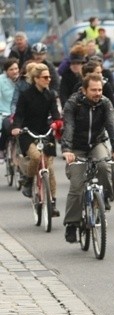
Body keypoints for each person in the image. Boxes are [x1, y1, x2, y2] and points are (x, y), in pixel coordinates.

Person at [60, 73, 114, 243]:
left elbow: (112, 126)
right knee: (76, 186)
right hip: (76, 147)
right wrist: (67, 149)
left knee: (104, 166)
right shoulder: (73, 103)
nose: (98, 93)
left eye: (100, 90)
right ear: (84, 90)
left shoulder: (105, 103)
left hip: (96, 143)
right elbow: (69, 127)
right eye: (93, 90)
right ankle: (72, 224)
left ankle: (103, 200)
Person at [10, 63, 61, 215]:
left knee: (50, 170)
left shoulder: (51, 95)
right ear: (36, 79)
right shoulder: (26, 95)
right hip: (27, 132)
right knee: (36, 157)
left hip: (45, 132)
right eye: (45, 77)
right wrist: (16, 127)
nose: (48, 80)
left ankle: (52, 203)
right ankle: (28, 178)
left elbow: (56, 114)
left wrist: (56, 123)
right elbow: (19, 114)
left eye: (49, 77)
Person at [0, 59, 19, 162]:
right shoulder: (1, 80)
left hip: (18, 112)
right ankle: (1, 149)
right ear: (6, 71)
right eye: (11, 69)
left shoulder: (22, 80)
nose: (15, 71)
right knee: (5, 126)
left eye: (16, 68)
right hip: (4, 112)